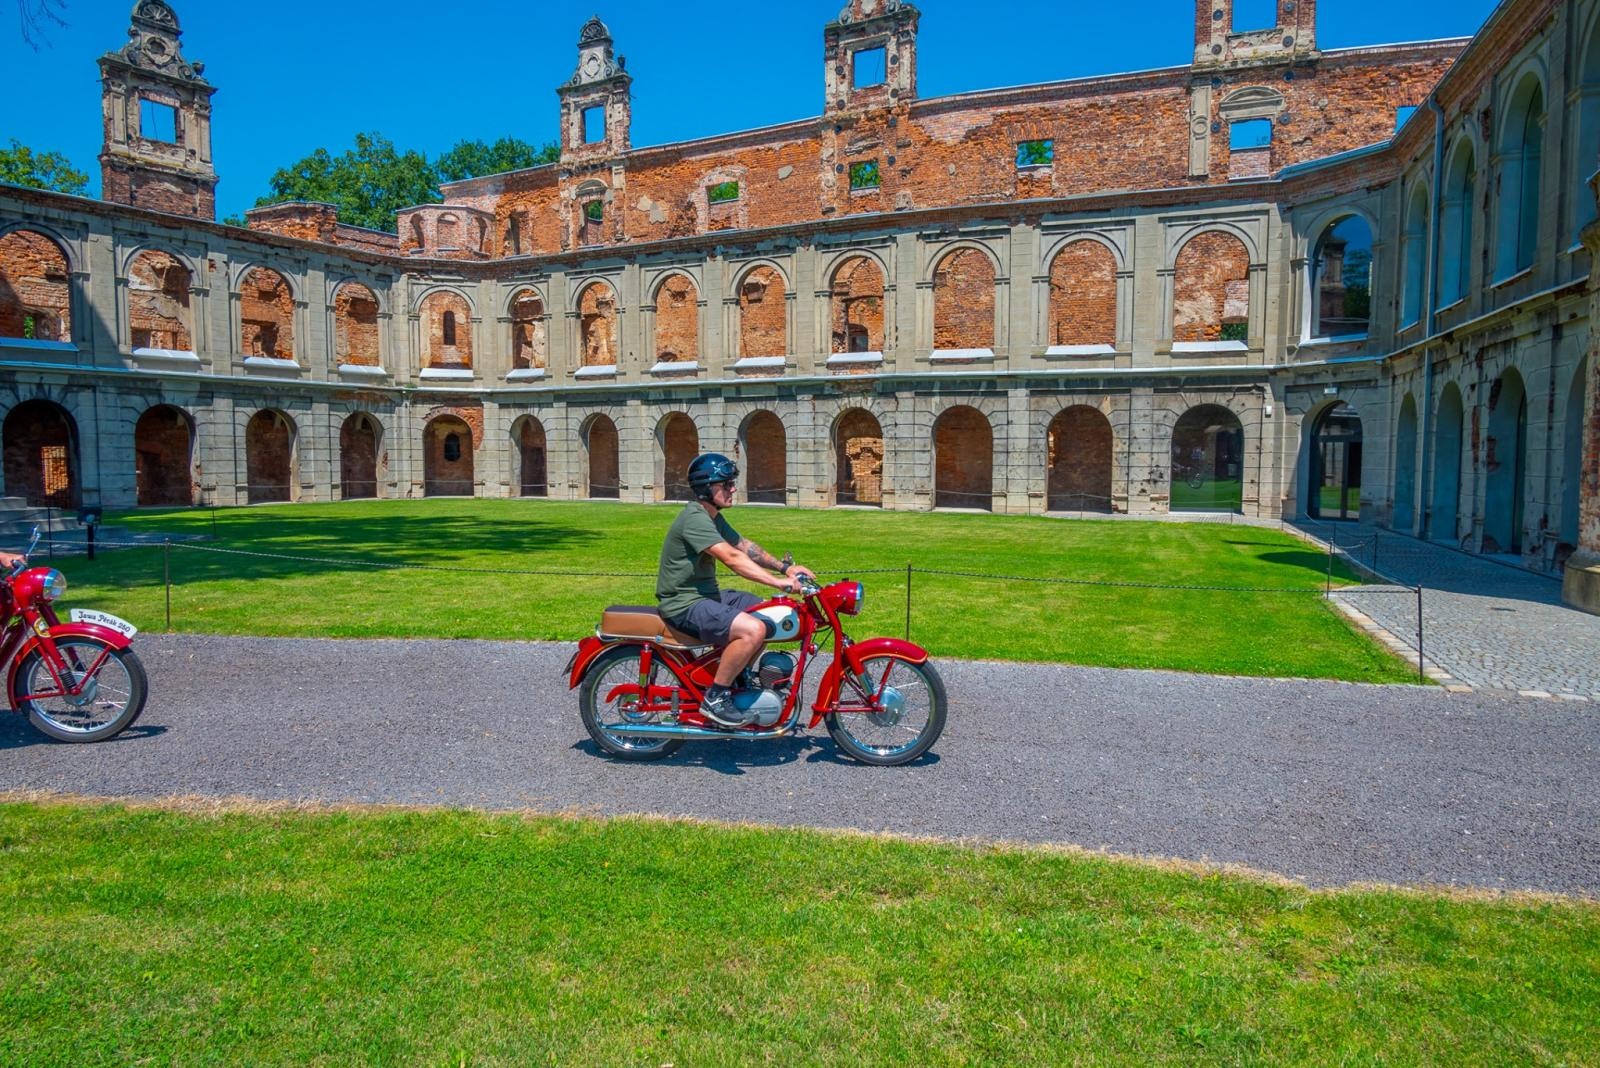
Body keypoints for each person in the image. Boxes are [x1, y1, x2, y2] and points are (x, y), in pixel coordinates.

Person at [657, 452, 815, 727]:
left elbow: (743, 545)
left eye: (732, 483)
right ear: (707, 487)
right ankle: (715, 698)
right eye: (726, 484)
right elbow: (731, 558)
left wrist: (784, 568)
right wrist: (780, 583)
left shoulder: (711, 517)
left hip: (705, 596)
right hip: (683, 603)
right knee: (753, 629)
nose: (733, 488)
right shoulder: (694, 518)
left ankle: (737, 677)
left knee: (767, 614)